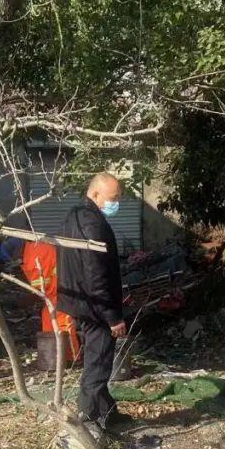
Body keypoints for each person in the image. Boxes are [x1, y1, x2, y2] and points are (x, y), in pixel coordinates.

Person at [57, 172, 127, 435]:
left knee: (99, 359)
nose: (116, 202)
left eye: (118, 197)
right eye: (113, 197)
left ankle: (108, 413)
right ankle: (88, 423)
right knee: (97, 366)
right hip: (95, 307)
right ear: (95, 193)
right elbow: (96, 275)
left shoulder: (74, 216)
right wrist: (113, 317)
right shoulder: (93, 224)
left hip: (81, 302)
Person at [21, 239, 80, 359]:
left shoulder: (35, 250)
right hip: (56, 293)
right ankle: (58, 357)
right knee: (51, 323)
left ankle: (70, 358)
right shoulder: (37, 247)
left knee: (63, 323)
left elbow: (39, 281)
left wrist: (35, 293)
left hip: (60, 293)